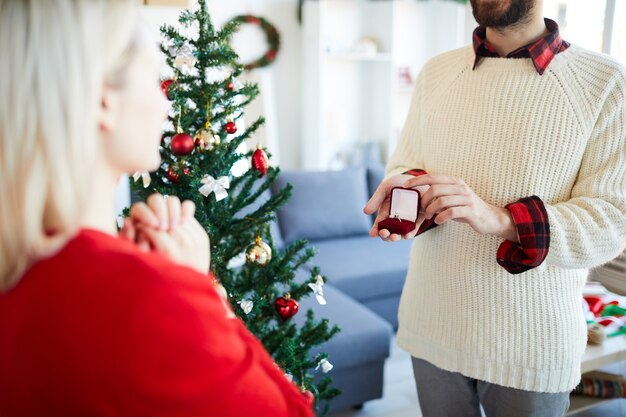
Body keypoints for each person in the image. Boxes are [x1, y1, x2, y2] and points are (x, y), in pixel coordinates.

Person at [0, 1, 314, 416]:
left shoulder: (21, 266)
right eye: (156, 81)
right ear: (102, 101)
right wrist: (202, 289)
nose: (167, 106)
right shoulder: (149, 299)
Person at [364, 0, 626, 416]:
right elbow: (406, 165)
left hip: (531, 345)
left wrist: (500, 219)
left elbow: (610, 221)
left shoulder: (606, 82)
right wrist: (407, 197)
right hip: (431, 324)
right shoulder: (436, 73)